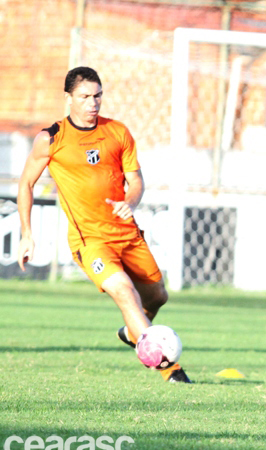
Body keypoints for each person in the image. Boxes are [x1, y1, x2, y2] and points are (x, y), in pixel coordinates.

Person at [17, 66, 191, 383]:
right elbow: (26, 184)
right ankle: (168, 368)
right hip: (90, 241)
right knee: (124, 292)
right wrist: (27, 234)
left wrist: (131, 201)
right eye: (84, 97)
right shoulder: (51, 139)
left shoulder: (117, 132)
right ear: (69, 98)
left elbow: (136, 181)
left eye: (97, 96)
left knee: (157, 297)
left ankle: (131, 332)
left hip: (127, 234)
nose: (92, 103)